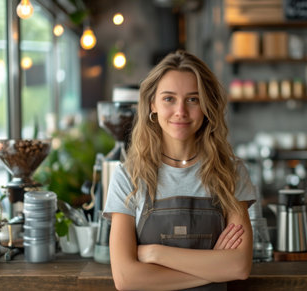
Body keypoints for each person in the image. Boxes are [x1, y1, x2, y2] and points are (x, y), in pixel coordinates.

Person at [103, 50, 257, 291]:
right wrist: (214, 270)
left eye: (193, 99)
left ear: (207, 106)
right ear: (152, 104)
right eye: (169, 99)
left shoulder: (230, 172)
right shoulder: (128, 176)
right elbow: (126, 279)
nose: (181, 111)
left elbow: (238, 266)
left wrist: (155, 253)